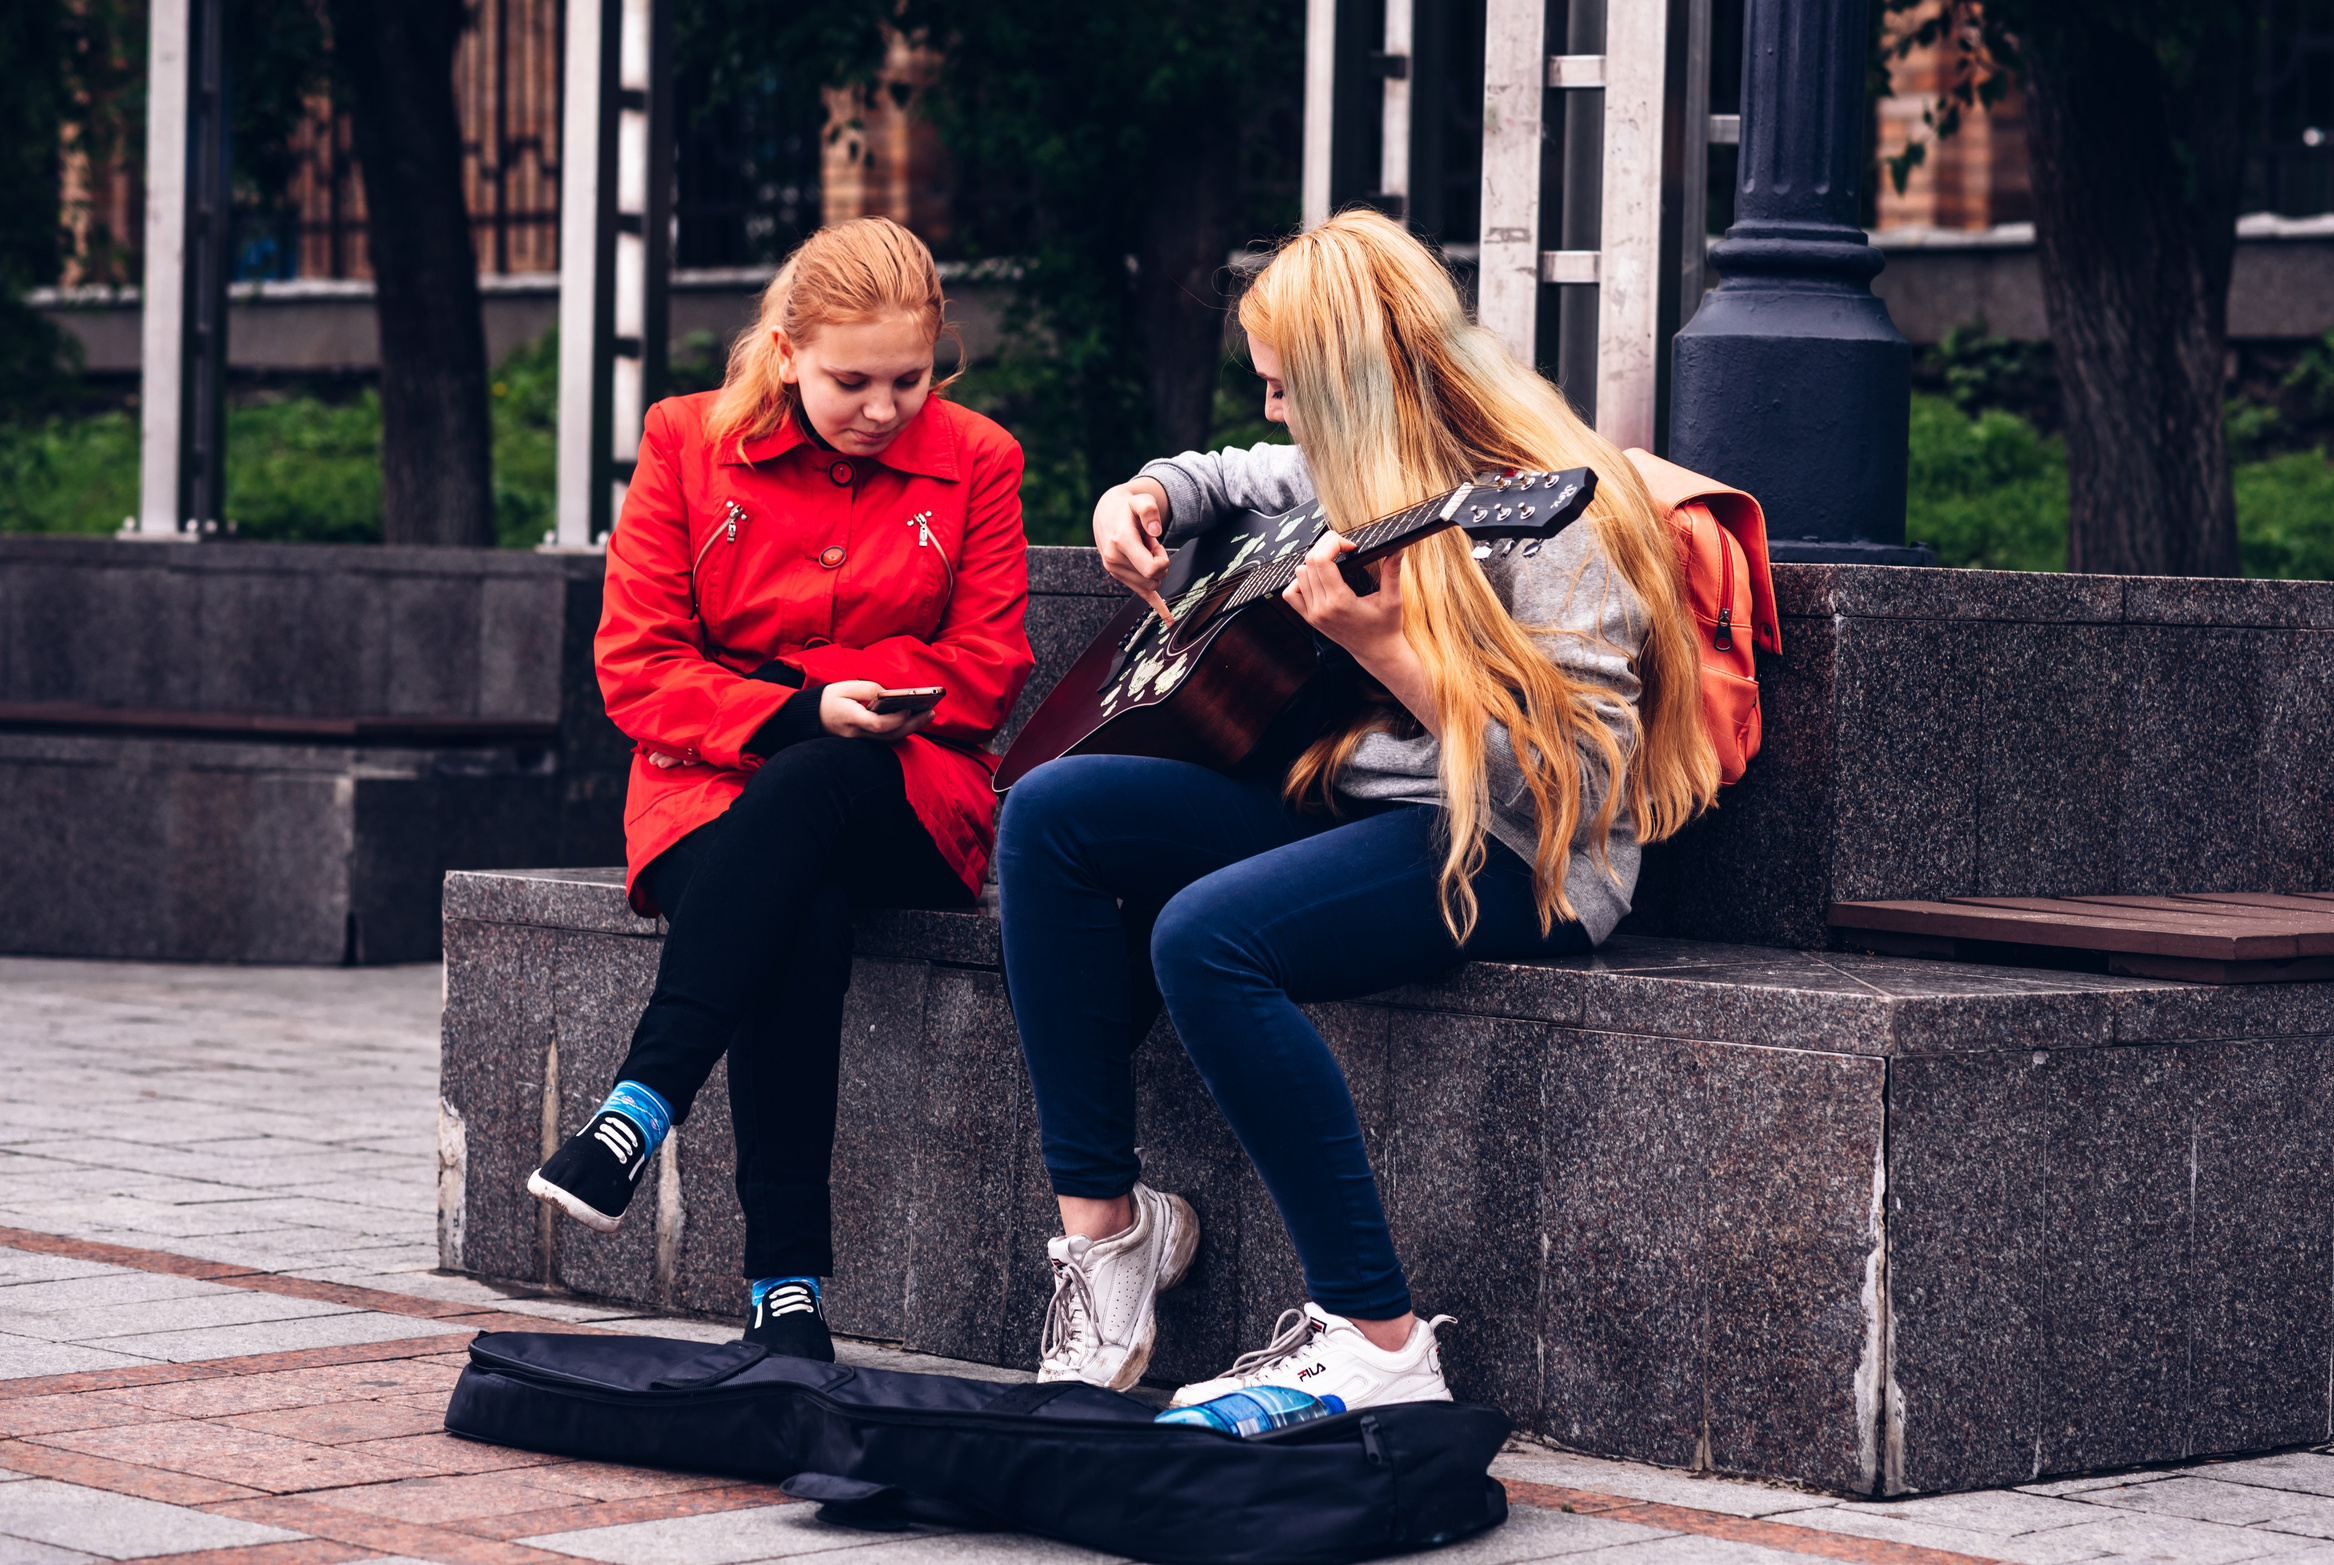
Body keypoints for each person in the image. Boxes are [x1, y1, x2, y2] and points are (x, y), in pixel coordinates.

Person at [997, 209, 1719, 1407]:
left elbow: (1576, 790)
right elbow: (1235, 474)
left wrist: (1391, 656)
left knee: (1204, 936)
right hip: (1352, 811)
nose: (1274, 413)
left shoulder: (1562, 520)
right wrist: (1149, 495)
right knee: (1052, 811)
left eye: (1285, 387)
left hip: (1513, 849)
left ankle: (1378, 1339)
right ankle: (1108, 1234)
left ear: (1352, 385)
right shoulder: (1365, 466)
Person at [527, 217, 1033, 1362]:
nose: (884, 405)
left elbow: (989, 666)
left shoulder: (979, 459)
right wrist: (803, 707)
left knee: (825, 770)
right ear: (785, 346)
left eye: (909, 376)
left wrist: (812, 701)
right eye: (850, 379)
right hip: (707, 791)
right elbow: (636, 664)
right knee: (791, 902)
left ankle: (638, 1109)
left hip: (907, 790)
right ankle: (786, 1291)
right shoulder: (685, 441)